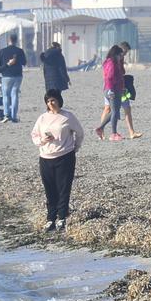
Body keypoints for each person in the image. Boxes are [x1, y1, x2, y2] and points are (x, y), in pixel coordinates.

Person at [30, 89, 85, 232]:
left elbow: (80, 133)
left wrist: (75, 148)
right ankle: (50, 218)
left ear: (59, 100)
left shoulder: (67, 116)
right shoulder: (42, 118)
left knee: (63, 188)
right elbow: (34, 135)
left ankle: (62, 217)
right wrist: (42, 140)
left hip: (65, 156)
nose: (51, 103)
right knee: (49, 189)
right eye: (48, 101)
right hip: (46, 158)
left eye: (53, 100)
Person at [95, 45, 125, 141]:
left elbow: (122, 72)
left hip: (111, 89)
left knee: (114, 111)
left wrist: (121, 62)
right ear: (116, 54)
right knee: (115, 111)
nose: (121, 57)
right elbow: (109, 77)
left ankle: (100, 128)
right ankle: (113, 133)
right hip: (112, 89)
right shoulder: (112, 63)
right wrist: (111, 90)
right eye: (120, 55)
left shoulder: (110, 62)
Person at [0, 34, 27, 123]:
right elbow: (24, 63)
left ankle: (7, 114)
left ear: (8, 40)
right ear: (16, 40)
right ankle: (14, 115)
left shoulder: (2, 51)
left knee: (5, 95)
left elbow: (0, 64)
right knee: (15, 95)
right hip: (17, 75)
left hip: (6, 75)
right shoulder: (20, 51)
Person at [116, 42, 143, 138]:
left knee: (126, 109)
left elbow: (122, 71)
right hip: (116, 87)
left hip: (119, 86)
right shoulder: (115, 58)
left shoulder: (120, 58)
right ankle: (102, 129)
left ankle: (131, 132)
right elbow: (116, 73)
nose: (126, 53)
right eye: (125, 51)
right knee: (111, 110)